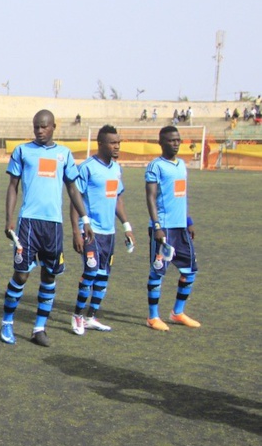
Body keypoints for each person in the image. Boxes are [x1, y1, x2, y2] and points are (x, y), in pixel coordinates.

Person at [0, 109, 93, 347]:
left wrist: (85, 220)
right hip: (28, 222)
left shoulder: (64, 154)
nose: (39, 131)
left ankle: (39, 328)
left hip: (53, 225)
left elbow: (73, 189)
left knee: (49, 275)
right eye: (36, 127)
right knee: (21, 274)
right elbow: (13, 186)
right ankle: (7, 322)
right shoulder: (22, 151)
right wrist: (9, 218)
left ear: (53, 127)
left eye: (44, 126)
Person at [69, 125, 134, 334]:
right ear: (101, 144)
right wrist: (76, 231)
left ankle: (90, 317)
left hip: (109, 232)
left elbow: (117, 200)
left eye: (118, 143)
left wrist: (127, 226)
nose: (117, 147)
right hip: (90, 231)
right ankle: (77, 316)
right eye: (113, 143)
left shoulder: (116, 169)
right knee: (90, 271)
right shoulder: (87, 167)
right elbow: (74, 199)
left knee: (103, 276)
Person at [144, 125, 199, 331]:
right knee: (158, 272)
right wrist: (156, 226)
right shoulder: (155, 166)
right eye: (170, 140)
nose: (175, 143)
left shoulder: (182, 165)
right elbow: (150, 197)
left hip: (180, 227)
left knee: (190, 270)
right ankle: (152, 317)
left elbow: (181, 195)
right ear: (161, 143)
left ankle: (177, 312)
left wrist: (188, 220)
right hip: (164, 228)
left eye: (178, 140)